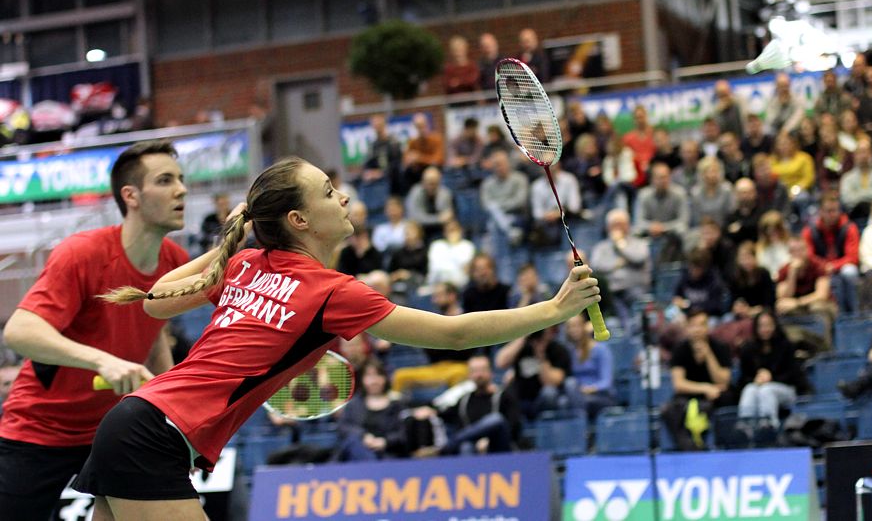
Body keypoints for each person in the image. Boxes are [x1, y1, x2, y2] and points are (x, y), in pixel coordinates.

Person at [71, 157, 602, 519]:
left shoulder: (253, 264)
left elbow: (156, 298)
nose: (343, 196)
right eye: (328, 192)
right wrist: (553, 310)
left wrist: (235, 242)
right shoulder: (325, 290)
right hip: (156, 433)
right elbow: (455, 333)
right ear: (300, 219)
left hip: (139, 422)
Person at [0, 140, 190, 520]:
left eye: (181, 179)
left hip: (116, 430)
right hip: (40, 430)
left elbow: (153, 340)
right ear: (131, 196)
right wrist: (104, 362)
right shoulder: (82, 253)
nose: (181, 189)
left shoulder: (175, 261)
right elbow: (19, 331)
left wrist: (173, 410)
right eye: (166, 180)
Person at [662, 310, 733, 451]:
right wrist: (705, 388)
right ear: (687, 327)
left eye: (702, 325)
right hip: (690, 395)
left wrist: (708, 354)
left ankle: (723, 448)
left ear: (708, 327)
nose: (698, 329)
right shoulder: (680, 349)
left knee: (726, 400)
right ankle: (689, 449)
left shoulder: (720, 347)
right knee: (668, 410)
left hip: (715, 397)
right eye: (694, 325)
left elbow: (723, 381)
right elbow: (678, 384)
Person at [426, 355, 521, 456]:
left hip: (499, 447)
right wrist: (429, 410)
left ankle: (447, 446)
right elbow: (445, 413)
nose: (479, 375)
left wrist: (488, 439)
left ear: (490, 372)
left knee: (496, 419)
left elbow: (513, 427)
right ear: (469, 375)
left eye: (482, 370)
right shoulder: (464, 400)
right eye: (474, 371)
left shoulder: (504, 396)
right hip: (472, 446)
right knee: (466, 446)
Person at [737, 311, 804, 429]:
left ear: (775, 325)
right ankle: (745, 427)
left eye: (768, 325)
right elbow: (742, 379)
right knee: (749, 389)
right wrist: (755, 379)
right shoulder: (748, 349)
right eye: (761, 326)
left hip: (786, 389)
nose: (765, 329)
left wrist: (772, 378)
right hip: (758, 387)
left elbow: (794, 376)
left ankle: (768, 427)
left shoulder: (786, 346)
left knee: (766, 390)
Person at [336, 358, 410, 461]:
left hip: (390, 454)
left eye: (378, 375)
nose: (374, 381)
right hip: (357, 453)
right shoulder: (354, 404)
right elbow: (344, 427)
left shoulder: (398, 403)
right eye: (369, 376)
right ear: (362, 379)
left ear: (385, 378)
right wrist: (363, 436)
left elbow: (403, 432)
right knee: (354, 442)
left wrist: (385, 442)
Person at [590, 208, 651, 332]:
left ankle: (634, 328)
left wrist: (620, 245)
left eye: (621, 224)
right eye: (614, 225)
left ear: (628, 226)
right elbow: (596, 266)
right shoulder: (601, 248)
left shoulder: (639, 243)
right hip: (611, 293)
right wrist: (618, 264)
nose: (618, 228)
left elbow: (638, 258)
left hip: (635, 289)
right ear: (608, 228)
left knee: (639, 311)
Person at [801, 193, 861, 313]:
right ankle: (839, 316)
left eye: (835, 210)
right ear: (821, 212)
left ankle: (855, 313)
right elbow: (808, 255)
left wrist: (833, 266)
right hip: (820, 270)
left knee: (849, 272)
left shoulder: (849, 227)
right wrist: (823, 266)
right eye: (828, 211)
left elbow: (853, 257)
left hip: (841, 267)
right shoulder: (810, 231)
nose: (832, 214)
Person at [495, 327, 572, 420]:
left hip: (541, 400)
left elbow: (551, 382)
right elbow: (500, 362)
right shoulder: (522, 347)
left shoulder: (557, 350)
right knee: (506, 391)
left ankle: (546, 425)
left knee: (549, 392)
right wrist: (523, 336)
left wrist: (541, 356)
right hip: (521, 396)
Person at [776, 236, 837, 351]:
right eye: (794, 251)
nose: (798, 254)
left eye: (801, 250)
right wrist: (792, 273)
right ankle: (793, 349)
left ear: (807, 250)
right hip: (797, 309)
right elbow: (782, 298)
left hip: (823, 305)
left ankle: (825, 350)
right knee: (781, 309)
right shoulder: (784, 270)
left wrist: (797, 302)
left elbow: (821, 295)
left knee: (817, 307)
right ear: (789, 253)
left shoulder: (818, 264)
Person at [565, 315, 615, 421]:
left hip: (601, 396)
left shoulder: (601, 349)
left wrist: (589, 389)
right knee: (562, 401)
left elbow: (606, 382)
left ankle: (580, 429)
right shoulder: (570, 352)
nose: (573, 330)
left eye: (576, 326)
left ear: (584, 326)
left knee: (571, 388)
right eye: (570, 327)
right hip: (578, 395)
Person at [405, 166, 454, 243]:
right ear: (423, 181)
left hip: (440, 231)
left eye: (434, 183)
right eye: (429, 182)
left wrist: (440, 219)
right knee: (412, 229)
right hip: (420, 230)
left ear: (439, 182)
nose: (431, 186)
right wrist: (438, 219)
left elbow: (447, 217)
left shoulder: (445, 193)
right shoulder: (415, 192)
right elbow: (415, 218)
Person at [724, 178, 763, 245]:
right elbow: (727, 234)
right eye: (741, 193)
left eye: (748, 192)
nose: (745, 196)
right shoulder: (730, 218)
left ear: (754, 193)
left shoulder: (762, 214)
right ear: (735, 195)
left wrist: (741, 226)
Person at [756, 210, 792, 281]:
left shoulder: (789, 244)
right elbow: (762, 268)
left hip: (787, 280)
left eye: (775, 230)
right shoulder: (761, 248)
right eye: (768, 231)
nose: (772, 233)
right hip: (769, 283)